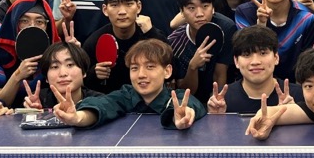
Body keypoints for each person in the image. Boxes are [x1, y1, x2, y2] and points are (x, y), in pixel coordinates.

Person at [52, 39, 206, 130]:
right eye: (134, 68)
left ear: (167, 71)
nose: (141, 74)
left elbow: (190, 105)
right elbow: (102, 105)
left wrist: (182, 115)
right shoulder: (125, 97)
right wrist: (78, 117)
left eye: (150, 67)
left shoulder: (175, 98)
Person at [235, 0, 314, 82]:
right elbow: (249, 56)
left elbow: (308, 65)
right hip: (255, 82)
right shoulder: (244, 13)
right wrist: (261, 24)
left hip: (294, 85)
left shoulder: (307, 17)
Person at [82, 0, 166, 93]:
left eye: (128, 4)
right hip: (108, 100)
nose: (122, 11)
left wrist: (152, 33)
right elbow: (83, 83)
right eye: (114, 5)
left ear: (138, 7)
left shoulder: (152, 35)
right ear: (105, 10)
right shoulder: (94, 42)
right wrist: (94, 74)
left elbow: (172, 72)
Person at [168, 0, 237, 105]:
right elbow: (185, 92)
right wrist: (192, 67)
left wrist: (216, 105)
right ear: (182, 11)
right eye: (191, 8)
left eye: (205, 6)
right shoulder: (175, 42)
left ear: (213, 7)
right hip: (191, 103)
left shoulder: (226, 28)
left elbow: (220, 74)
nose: (199, 14)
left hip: (222, 98)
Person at [0, 0, 60, 108]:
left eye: (39, 21)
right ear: (14, 21)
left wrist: (75, 55)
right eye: (24, 21)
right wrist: (17, 76)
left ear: (47, 25)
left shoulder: (57, 52)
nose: (32, 26)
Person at [207, 26, 300, 115]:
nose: (255, 62)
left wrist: (293, 114)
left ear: (276, 57)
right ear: (236, 61)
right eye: (247, 55)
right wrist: (215, 118)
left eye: (263, 53)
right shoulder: (221, 99)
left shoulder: (297, 95)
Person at [23, 42, 102, 110]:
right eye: (55, 67)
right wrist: (36, 114)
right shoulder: (37, 100)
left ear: (84, 72)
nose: (63, 73)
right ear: (46, 77)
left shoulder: (99, 101)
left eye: (70, 65)